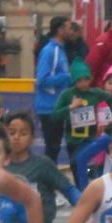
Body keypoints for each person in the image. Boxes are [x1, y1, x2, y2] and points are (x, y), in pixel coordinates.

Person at [53, 59, 112, 187]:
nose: (83, 84)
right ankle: (81, 190)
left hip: (90, 137)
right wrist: (71, 107)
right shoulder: (67, 95)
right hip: (73, 138)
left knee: (80, 160)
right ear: (74, 81)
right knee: (75, 165)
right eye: (79, 80)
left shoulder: (94, 93)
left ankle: (90, 188)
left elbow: (109, 98)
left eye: (86, 79)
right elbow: (55, 116)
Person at [35, 16, 74, 164]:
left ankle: (48, 182)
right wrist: (65, 77)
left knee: (54, 147)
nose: (71, 31)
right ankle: (45, 184)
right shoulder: (50, 51)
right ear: (60, 30)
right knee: (51, 148)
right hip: (49, 107)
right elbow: (42, 80)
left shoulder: (61, 51)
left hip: (58, 106)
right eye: (68, 27)